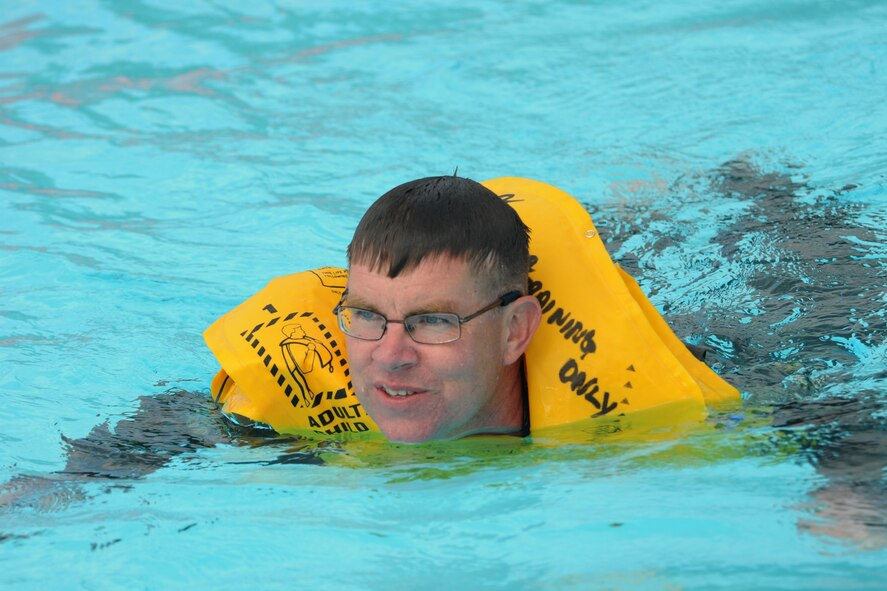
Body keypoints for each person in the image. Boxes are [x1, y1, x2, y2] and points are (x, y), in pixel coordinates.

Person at [339, 176, 543, 442]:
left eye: (432, 321)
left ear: (515, 330)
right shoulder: (287, 431)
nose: (391, 357)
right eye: (366, 314)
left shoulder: (608, 443)